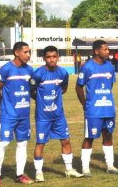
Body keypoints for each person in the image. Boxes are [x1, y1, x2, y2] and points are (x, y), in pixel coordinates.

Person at [31, 45, 82, 179]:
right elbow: (32, 91)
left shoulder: (63, 73)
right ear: (44, 58)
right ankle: (38, 172)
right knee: (41, 143)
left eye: (54, 56)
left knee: (65, 140)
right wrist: (40, 100)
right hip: (43, 116)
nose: (52, 59)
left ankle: (69, 169)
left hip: (58, 115)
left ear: (58, 57)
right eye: (48, 57)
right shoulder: (37, 74)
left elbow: (63, 88)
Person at [0, 41, 34, 186]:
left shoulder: (29, 70)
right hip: (8, 115)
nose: (28, 55)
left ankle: (19, 175)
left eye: (29, 52)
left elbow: (32, 91)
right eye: (25, 52)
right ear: (17, 52)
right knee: (3, 143)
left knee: (22, 144)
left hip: (24, 115)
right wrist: (5, 106)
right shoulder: (5, 69)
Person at [76, 39, 118, 176]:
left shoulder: (110, 67)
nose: (108, 52)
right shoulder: (87, 67)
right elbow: (78, 87)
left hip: (108, 108)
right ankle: (85, 168)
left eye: (108, 49)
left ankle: (110, 165)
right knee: (89, 137)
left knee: (108, 135)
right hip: (93, 110)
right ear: (96, 51)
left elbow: (110, 86)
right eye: (105, 49)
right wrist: (85, 104)